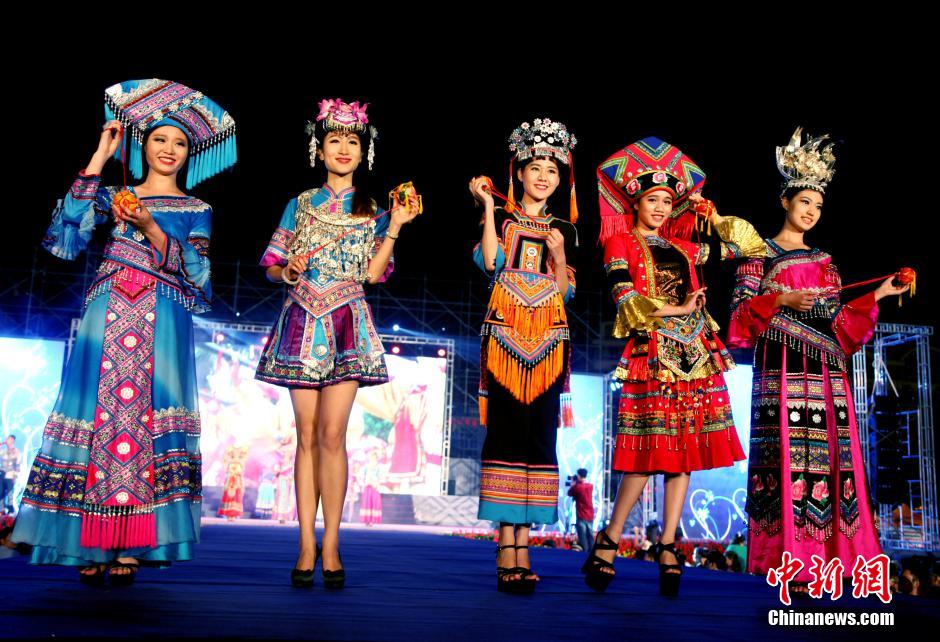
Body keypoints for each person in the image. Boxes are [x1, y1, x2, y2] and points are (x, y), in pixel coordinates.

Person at [12, 79, 236, 587]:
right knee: (97, 414)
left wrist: (152, 226)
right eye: (159, 139)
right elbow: (64, 235)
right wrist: (100, 155)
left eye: (179, 143)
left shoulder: (198, 210)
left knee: (149, 417)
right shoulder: (115, 195)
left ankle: (134, 545)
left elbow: (201, 277)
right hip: (107, 311)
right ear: (143, 145)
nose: (169, 149)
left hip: (163, 316)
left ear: (190, 154)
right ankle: (85, 542)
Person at [727, 128, 909, 594]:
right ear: (785, 200)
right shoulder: (758, 254)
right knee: (787, 460)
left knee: (830, 464)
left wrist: (879, 294)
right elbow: (740, 314)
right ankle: (790, 563)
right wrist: (782, 298)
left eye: (818, 205)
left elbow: (838, 320)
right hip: (781, 367)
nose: (811, 211)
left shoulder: (826, 261)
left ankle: (829, 562)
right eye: (804, 201)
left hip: (827, 374)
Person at [584, 137, 765, 597]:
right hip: (653, 353)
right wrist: (678, 308)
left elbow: (749, 247)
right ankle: (610, 537)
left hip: (697, 354)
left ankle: (668, 543)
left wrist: (714, 218)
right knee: (648, 452)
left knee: (684, 453)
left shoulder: (684, 247)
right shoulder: (619, 243)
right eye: (653, 200)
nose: (661, 208)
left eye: (667, 201)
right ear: (637, 202)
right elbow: (625, 299)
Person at [255, 98, 419, 589]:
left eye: (352, 141)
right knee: (305, 435)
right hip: (301, 319)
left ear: (363, 151)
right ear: (319, 148)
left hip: (347, 321)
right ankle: (305, 544)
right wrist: (287, 270)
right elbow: (271, 265)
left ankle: (331, 544)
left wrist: (395, 227)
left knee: (332, 435)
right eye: (334, 140)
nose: (343, 148)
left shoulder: (374, 209)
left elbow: (373, 275)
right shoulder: (300, 203)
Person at [469, 117, 579, 593]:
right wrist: (487, 208)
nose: (543, 177)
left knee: (539, 439)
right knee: (506, 434)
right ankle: (505, 546)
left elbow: (565, 293)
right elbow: (491, 263)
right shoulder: (504, 219)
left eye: (552, 171)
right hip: (506, 341)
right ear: (518, 172)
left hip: (549, 344)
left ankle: (525, 546)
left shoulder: (563, 229)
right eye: (535, 168)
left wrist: (559, 255)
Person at [567, 468, 595, 554]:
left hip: (581, 515)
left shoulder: (577, 487)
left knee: (582, 538)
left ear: (579, 476)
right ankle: (592, 554)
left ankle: (584, 555)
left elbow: (569, 493)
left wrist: (573, 484)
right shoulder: (590, 486)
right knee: (590, 536)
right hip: (590, 515)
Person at [0, 436, 21, 514]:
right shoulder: (3, 451)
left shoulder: (17, 452)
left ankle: (10, 511)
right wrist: (1, 444)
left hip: (10, 475)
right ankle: (1, 510)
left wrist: (15, 476)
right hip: (2, 474)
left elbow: (18, 465)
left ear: (12, 440)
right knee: (1, 492)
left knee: (10, 494)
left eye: (8, 439)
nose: (6, 440)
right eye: (6, 439)